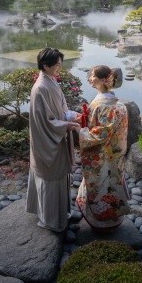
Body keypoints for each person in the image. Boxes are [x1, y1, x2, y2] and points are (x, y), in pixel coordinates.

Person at [26, 48, 80, 232]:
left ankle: (60, 215)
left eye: (60, 64)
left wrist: (73, 116)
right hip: (47, 139)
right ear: (45, 65)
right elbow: (44, 121)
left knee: (58, 178)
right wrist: (67, 126)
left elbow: (59, 109)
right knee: (49, 179)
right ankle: (49, 220)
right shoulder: (40, 88)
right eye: (57, 65)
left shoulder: (51, 81)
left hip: (56, 137)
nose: (60, 68)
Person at [76, 65, 130, 231]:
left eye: (92, 76)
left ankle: (103, 222)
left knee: (101, 184)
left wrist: (80, 131)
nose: (90, 79)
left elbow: (100, 133)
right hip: (115, 151)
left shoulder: (103, 105)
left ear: (102, 80)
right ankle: (114, 218)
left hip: (102, 153)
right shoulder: (118, 104)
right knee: (112, 182)